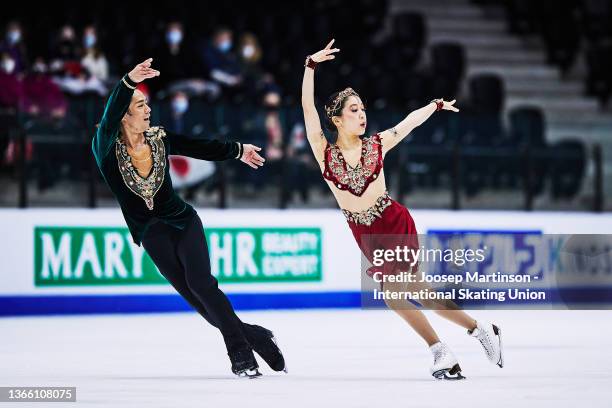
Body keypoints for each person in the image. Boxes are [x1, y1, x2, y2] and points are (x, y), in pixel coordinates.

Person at [301, 40, 503, 380]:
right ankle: (478, 330)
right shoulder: (323, 150)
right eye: (353, 110)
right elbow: (307, 107)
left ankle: (443, 351)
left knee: (399, 292)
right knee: (407, 295)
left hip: (391, 220)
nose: (362, 115)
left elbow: (407, 124)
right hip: (363, 231)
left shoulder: (377, 144)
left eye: (363, 109)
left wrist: (434, 106)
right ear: (336, 119)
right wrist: (310, 66)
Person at [92, 58, 286, 378]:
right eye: (140, 105)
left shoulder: (159, 138)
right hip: (152, 234)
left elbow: (197, 146)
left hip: (183, 221)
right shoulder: (106, 149)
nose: (148, 110)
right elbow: (110, 112)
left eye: (146, 104)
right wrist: (127, 81)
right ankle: (258, 337)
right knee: (204, 308)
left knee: (203, 285)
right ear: (124, 115)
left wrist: (237, 150)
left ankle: (240, 356)